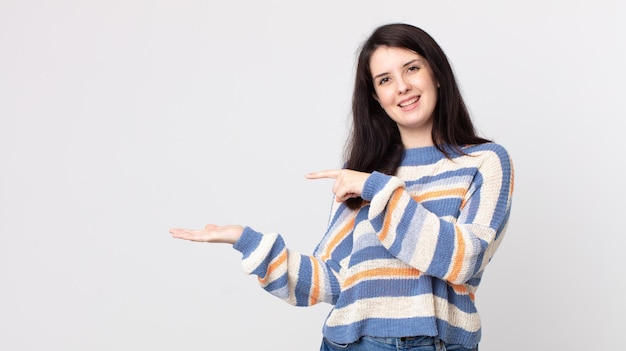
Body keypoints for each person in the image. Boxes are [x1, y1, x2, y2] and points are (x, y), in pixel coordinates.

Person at [170, 23, 514, 351]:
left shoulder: (484, 162)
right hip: (346, 342)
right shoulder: (364, 175)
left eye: (411, 69)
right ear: (377, 98)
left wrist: (379, 190)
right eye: (385, 79)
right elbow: (335, 280)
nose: (401, 87)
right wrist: (249, 242)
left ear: (436, 74)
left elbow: (462, 259)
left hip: (433, 341)